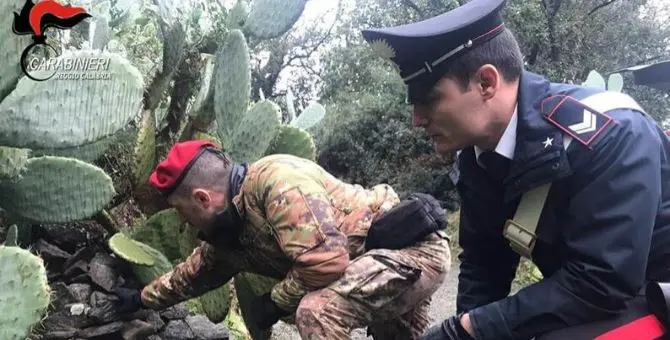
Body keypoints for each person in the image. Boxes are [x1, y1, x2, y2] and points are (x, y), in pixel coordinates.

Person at [360, 0, 670, 339]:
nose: (416, 119)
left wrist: (468, 330)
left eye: (429, 99)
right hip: (600, 297)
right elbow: (484, 265)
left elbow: (602, 282)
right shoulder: (477, 157)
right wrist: (466, 327)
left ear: (486, 83)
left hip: (651, 292)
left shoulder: (610, 132)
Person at [113, 139, 452, 339]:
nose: (182, 223)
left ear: (203, 198)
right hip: (369, 271)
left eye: (180, 210)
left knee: (317, 312)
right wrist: (141, 300)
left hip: (409, 253)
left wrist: (274, 303)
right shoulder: (229, 228)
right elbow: (193, 276)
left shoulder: (277, 181)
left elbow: (327, 262)